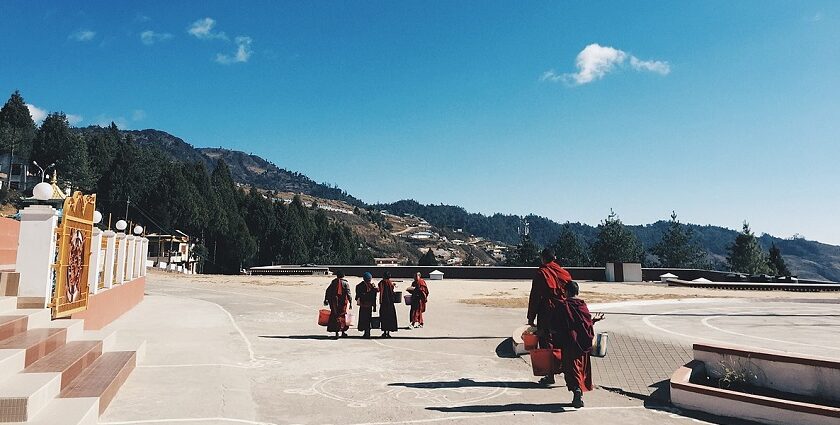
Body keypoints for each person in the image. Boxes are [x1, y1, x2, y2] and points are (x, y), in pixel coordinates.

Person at [527, 247, 590, 407]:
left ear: (542, 258)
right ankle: (567, 374)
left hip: (548, 311)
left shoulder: (541, 272)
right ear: (554, 258)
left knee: (547, 342)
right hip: (565, 309)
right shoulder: (563, 272)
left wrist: (531, 317)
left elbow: (535, 295)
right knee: (568, 344)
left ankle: (550, 375)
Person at [558, 280, 602, 408]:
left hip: (568, 342)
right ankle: (578, 391)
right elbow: (585, 323)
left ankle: (577, 390)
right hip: (582, 343)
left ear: (566, 292)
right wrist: (593, 321)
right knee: (580, 368)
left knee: (571, 368)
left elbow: (557, 325)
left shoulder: (563, 305)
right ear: (577, 292)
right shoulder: (582, 305)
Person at [324, 270, 352, 339]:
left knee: (335, 316)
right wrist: (351, 302)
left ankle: (337, 333)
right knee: (342, 316)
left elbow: (328, 291)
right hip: (343, 303)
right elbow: (348, 293)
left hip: (334, 303)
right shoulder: (345, 283)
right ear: (343, 276)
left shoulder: (333, 282)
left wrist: (326, 299)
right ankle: (343, 332)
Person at [355, 272, 378, 339]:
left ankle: (366, 332)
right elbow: (374, 296)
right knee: (368, 318)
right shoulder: (372, 286)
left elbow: (357, 296)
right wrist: (374, 306)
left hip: (363, 305)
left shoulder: (359, 286)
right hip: (369, 305)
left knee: (363, 318)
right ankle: (367, 332)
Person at [377, 271, 399, 338]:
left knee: (384, 317)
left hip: (384, 302)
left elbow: (379, 289)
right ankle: (388, 332)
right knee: (390, 317)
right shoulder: (390, 283)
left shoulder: (382, 282)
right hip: (390, 303)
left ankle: (384, 332)